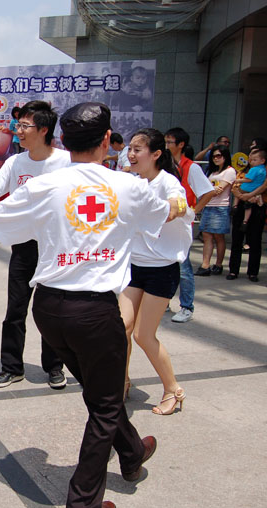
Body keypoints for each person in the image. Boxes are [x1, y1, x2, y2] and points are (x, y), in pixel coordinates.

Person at [0, 102, 182, 508]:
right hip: (96, 311)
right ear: (107, 140)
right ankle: (83, 505)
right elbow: (168, 211)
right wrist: (178, 201)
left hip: (49, 309)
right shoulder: (128, 186)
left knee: (96, 388)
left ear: (63, 139)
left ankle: (133, 452)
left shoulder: (46, 185)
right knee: (105, 405)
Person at [0, 100, 72, 389]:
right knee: (15, 310)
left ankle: (54, 366)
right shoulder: (14, 162)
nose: (18, 131)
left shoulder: (65, 162)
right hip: (24, 247)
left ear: (44, 130)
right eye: (17, 125)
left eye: (24, 126)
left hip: (55, 248)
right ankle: (11, 367)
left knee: (51, 311)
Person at [120, 128, 193, 415]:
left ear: (156, 154)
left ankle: (173, 390)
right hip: (134, 266)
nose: (131, 154)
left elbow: (178, 203)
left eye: (138, 149)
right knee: (121, 327)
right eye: (130, 148)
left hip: (161, 270)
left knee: (143, 335)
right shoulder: (135, 183)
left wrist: (171, 208)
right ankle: (121, 381)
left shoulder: (168, 183)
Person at [164, 127, 214, 323]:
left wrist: (194, 211)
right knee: (164, 264)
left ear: (181, 145)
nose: (166, 146)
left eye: (170, 142)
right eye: (165, 142)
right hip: (164, 223)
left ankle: (186, 306)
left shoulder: (191, 167)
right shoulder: (164, 165)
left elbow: (208, 192)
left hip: (181, 224)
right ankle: (163, 301)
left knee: (183, 268)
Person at [227, 145, 267, 283]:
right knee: (236, 238)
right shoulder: (243, 170)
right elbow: (235, 187)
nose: (251, 161)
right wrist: (244, 197)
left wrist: (251, 195)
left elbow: (265, 185)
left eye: (254, 158)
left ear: (263, 160)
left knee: (255, 240)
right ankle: (233, 270)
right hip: (242, 204)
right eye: (250, 158)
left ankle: (253, 272)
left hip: (258, 205)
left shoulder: (266, 170)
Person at [195, 144, 236, 275]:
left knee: (219, 237)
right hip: (208, 205)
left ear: (225, 156)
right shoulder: (212, 172)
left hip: (220, 206)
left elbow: (220, 189)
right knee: (207, 236)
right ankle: (205, 264)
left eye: (218, 156)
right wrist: (210, 190)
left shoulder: (229, 171)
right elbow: (212, 190)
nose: (215, 158)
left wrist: (209, 190)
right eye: (213, 156)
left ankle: (218, 264)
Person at [232, 149, 267, 230]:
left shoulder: (254, 169)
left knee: (237, 191)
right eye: (251, 160)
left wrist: (238, 180)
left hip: (246, 188)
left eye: (255, 160)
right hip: (255, 191)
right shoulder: (264, 169)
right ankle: (245, 221)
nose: (252, 161)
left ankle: (234, 206)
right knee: (248, 206)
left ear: (262, 160)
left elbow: (249, 179)